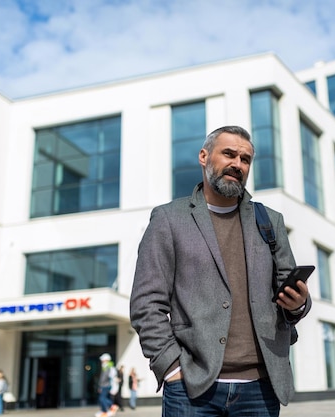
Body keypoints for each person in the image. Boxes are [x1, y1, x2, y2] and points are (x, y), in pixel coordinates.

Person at [130, 125, 311, 417]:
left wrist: (298, 304)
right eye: (229, 154)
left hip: (261, 389)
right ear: (204, 156)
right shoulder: (169, 219)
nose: (237, 164)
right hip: (193, 388)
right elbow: (146, 303)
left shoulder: (270, 221)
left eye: (245, 159)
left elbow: (290, 296)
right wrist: (170, 366)